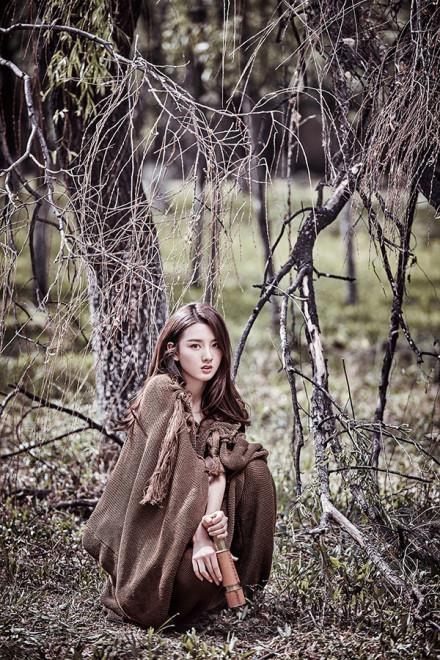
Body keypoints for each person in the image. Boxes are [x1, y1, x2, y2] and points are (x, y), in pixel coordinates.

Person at [82, 302, 277, 629]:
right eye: (195, 346)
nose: (208, 356)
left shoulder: (223, 408)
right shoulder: (160, 392)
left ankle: (244, 591)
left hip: (201, 531)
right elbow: (185, 475)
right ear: (173, 351)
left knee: (256, 472)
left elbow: (220, 468)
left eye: (215, 345)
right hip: (156, 539)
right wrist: (200, 537)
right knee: (195, 576)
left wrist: (210, 525)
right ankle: (184, 593)